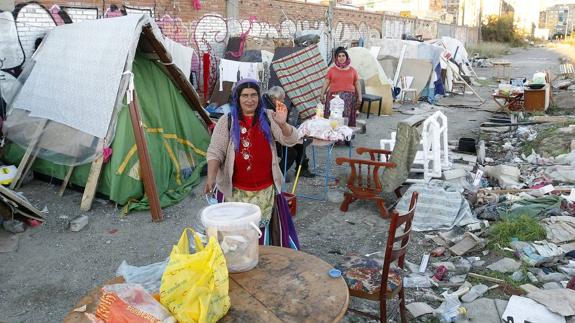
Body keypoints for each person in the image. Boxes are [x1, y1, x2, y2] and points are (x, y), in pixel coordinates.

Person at [205, 78, 300, 249]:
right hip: (235, 192)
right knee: (235, 234)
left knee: (261, 232)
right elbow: (215, 151)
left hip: (266, 190)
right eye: (245, 95)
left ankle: (261, 262)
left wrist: (283, 124)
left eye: (254, 95)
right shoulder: (226, 122)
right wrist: (211, 177)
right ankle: (240, 265)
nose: (250, 100)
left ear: (259, 96)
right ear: (237, 98)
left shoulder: (270, 117)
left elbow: (291, 140)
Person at [263, 86, 315, 180]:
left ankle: (302, 169)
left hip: (280, 135)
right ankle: (277, 175)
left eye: (283, 99)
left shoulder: (273, 103)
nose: (283, 101)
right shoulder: (266, 108)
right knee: (291, 152)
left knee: (299, 145)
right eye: (281, 99)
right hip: (271, 140)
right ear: (274, 99)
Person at [319, 46, 362, 127]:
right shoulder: (331, 70)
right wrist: (322, 94)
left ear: (347, 57)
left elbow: (357, 83)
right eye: (339, 56)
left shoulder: (353, 70)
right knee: (333, 118)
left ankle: (346, 137)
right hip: (333, 99)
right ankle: (332, 136)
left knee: (346, 118)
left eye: (343, 56)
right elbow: (326, 83)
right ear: (336, 58)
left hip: (348, 99)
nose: (341, 58)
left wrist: (360, 97)